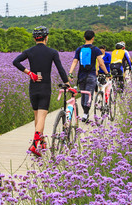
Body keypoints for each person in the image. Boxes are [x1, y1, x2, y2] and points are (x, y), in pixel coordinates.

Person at [13, 26, 70, 157]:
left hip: (33, 87)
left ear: (34, 39)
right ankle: (34, 144)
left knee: (37, 117)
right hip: (45, 87)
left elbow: (15, 61)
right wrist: (67, 83)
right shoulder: (52, 52)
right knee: (42, 117)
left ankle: (42, 140)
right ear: (46, 38)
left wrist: (29, 73)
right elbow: (60, 69)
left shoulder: (29, 51)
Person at [67, 30, 109, 123]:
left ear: (84, 38)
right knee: (89, 94)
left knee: (83, 95)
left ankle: (85, 114)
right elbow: (101, 63)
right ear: (93, 38)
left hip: (81, 75)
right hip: (91, 75)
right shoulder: (95, 49)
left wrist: (70, 73)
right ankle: (85, 114)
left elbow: (74, 61)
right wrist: (107, 73)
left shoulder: (79, 49)